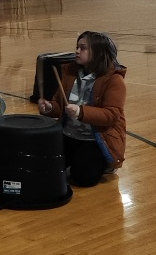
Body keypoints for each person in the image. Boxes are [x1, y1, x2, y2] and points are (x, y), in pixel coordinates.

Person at [38, 30, 126, 186]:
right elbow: (60, 104)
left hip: (96, 139)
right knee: (44, 165)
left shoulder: (114, 80)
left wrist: (80, 112)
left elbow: (111, 115)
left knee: (83, 179)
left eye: (83, 48)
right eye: (77, 47)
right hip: (69, 133)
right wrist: (50, 107)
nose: (77, 51)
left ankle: (105, 162)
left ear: (98, 53)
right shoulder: (70, 73)